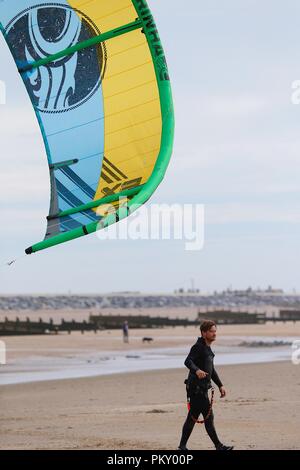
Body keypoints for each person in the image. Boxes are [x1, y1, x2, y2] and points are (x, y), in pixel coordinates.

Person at [178, 320, 234, 451]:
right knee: (208, 416)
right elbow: (187, 361)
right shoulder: (198, 347)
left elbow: (211, 370)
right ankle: (218, 446)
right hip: (196, 389)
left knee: (193, 417)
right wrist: (196, 370)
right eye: (211, 331)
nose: (214, 334)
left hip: (201, 389)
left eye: (215, 331)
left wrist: (220, 385)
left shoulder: (207, 348)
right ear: (204, 333)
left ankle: (182, 446)